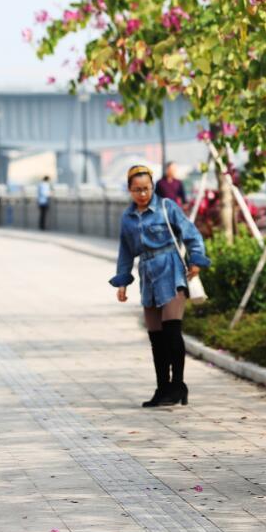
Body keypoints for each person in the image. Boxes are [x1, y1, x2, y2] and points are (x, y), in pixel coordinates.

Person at [111, 165, 211, 407]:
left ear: (153, 187)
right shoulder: (128, 218)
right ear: (129, 190)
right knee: (156, 336)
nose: (142, 194)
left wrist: (196, 260)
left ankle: (178, 385)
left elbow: (192, 234)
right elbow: (125, 250)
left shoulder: (167, 207)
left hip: (172, 270)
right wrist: (122, 281)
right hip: (147, 275)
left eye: (146, 188)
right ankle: (162, 388)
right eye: (137, 190)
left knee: (172, 331)